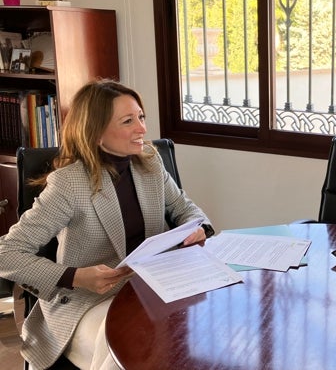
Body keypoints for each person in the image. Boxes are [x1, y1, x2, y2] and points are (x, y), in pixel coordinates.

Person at [0, 79, 214, 370]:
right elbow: (7, 253)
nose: (142, 129)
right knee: (127, 346)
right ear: (97, 133)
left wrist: (198, 228)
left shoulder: (149, 162)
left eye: (141, 117)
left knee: (200, 328)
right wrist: (76, 276)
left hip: (151, 287)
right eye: (128, 121)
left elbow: (185, 209)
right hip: (88, 300)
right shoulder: (68, 184)